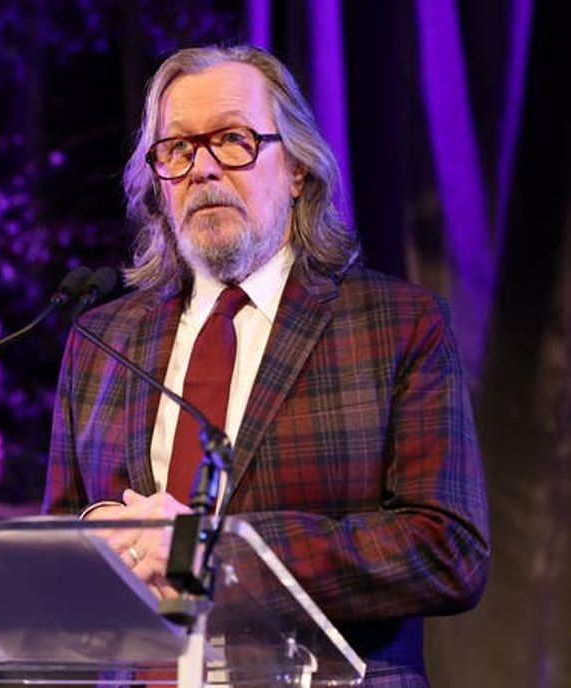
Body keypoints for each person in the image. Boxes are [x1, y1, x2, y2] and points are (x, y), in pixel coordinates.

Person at [42, 44, 489, 687]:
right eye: (177, 150)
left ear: (299, 168)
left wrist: (219, 553)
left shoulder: (398, 324)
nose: (203, 170)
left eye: (232, 139)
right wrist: (90, 536)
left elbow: (448, 550)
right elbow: (59, 537)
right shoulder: (102, 339)